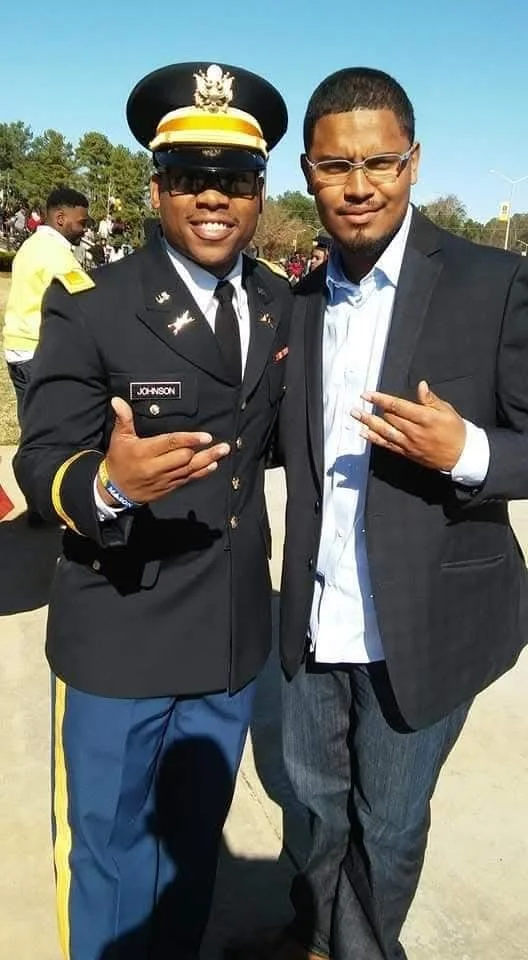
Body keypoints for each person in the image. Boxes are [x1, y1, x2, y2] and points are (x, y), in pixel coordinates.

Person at [14, 60, 289, 960]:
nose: (215, 197)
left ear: (260, 193)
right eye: (191, 175)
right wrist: (111, 485)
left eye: (237, 179)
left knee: (187, 863)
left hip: (231, 641)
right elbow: (43, 456)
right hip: (121, 635)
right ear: (158, 186)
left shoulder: (281, 302)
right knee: (107, 860)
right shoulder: (94, 307)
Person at [273, 66, 528, 960]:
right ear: (306, 170)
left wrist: (466, 451)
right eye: (336, 166)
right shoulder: (297, 299)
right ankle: (315, 939)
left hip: (424, 622)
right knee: (310, 810)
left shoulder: (492, 282)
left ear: (413, 162)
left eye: (379, 163)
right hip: (313, 617)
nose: (358, 186)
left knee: (388, 827)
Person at [3, 187, 89, 425]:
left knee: (30, 426)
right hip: (40, 352)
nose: (85, 229)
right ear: (60, 218)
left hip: (16, 350)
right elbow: (85, 300)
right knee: (51, 428)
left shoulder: (30, 246)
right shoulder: (57, 255)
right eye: (81, 223)